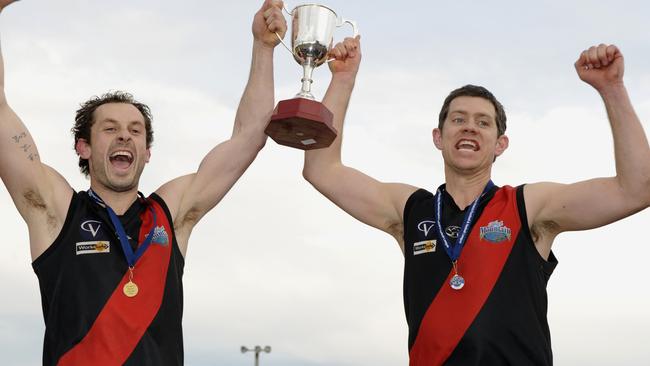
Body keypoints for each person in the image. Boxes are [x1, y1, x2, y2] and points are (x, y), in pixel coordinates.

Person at [303, 36, 650, 365]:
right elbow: (322, 170)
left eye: (483, 123)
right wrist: (343, 79)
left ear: (500, 144)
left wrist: (612, 89)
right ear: (439, 137)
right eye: (458, 119)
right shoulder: (411, 209)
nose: (469, 127)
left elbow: (637, 189)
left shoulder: (527, 206)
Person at [0, 0, 287, 365]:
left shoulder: (172, 212)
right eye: (110, 129)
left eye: (135, 131)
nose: (125, 137)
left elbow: (249, 137)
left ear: (147, 152)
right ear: (83, 147)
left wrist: (263, 47)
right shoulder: (56, 212)